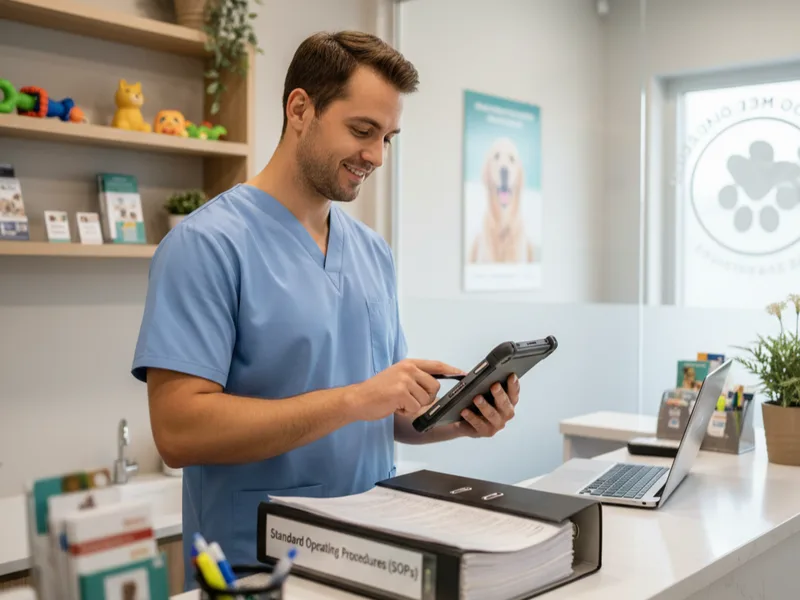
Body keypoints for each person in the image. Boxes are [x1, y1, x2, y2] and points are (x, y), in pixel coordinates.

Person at [130, 30, 520, 588]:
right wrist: (355, 399)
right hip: (255, 565)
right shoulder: (206, 245)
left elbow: (383, 416)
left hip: (377, 553)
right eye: (362, 131)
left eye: (388, 137)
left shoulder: (372, 252)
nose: (376, 156)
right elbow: (178, 431)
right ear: (299, 110)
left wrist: (459, 419)